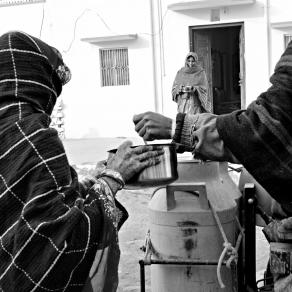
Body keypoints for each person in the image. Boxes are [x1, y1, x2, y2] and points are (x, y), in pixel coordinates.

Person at [0, 31, 164, 292]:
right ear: (37, 81)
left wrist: (91, 183)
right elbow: (58, 248)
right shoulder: (32, 135)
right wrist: (111, 180)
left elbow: (35, 206)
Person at [134, 40, 292, 291]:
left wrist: (178, 127)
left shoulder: (202, 76)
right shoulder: (180, 74)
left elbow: (262, 129)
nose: (190, 63)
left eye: (192, 60)